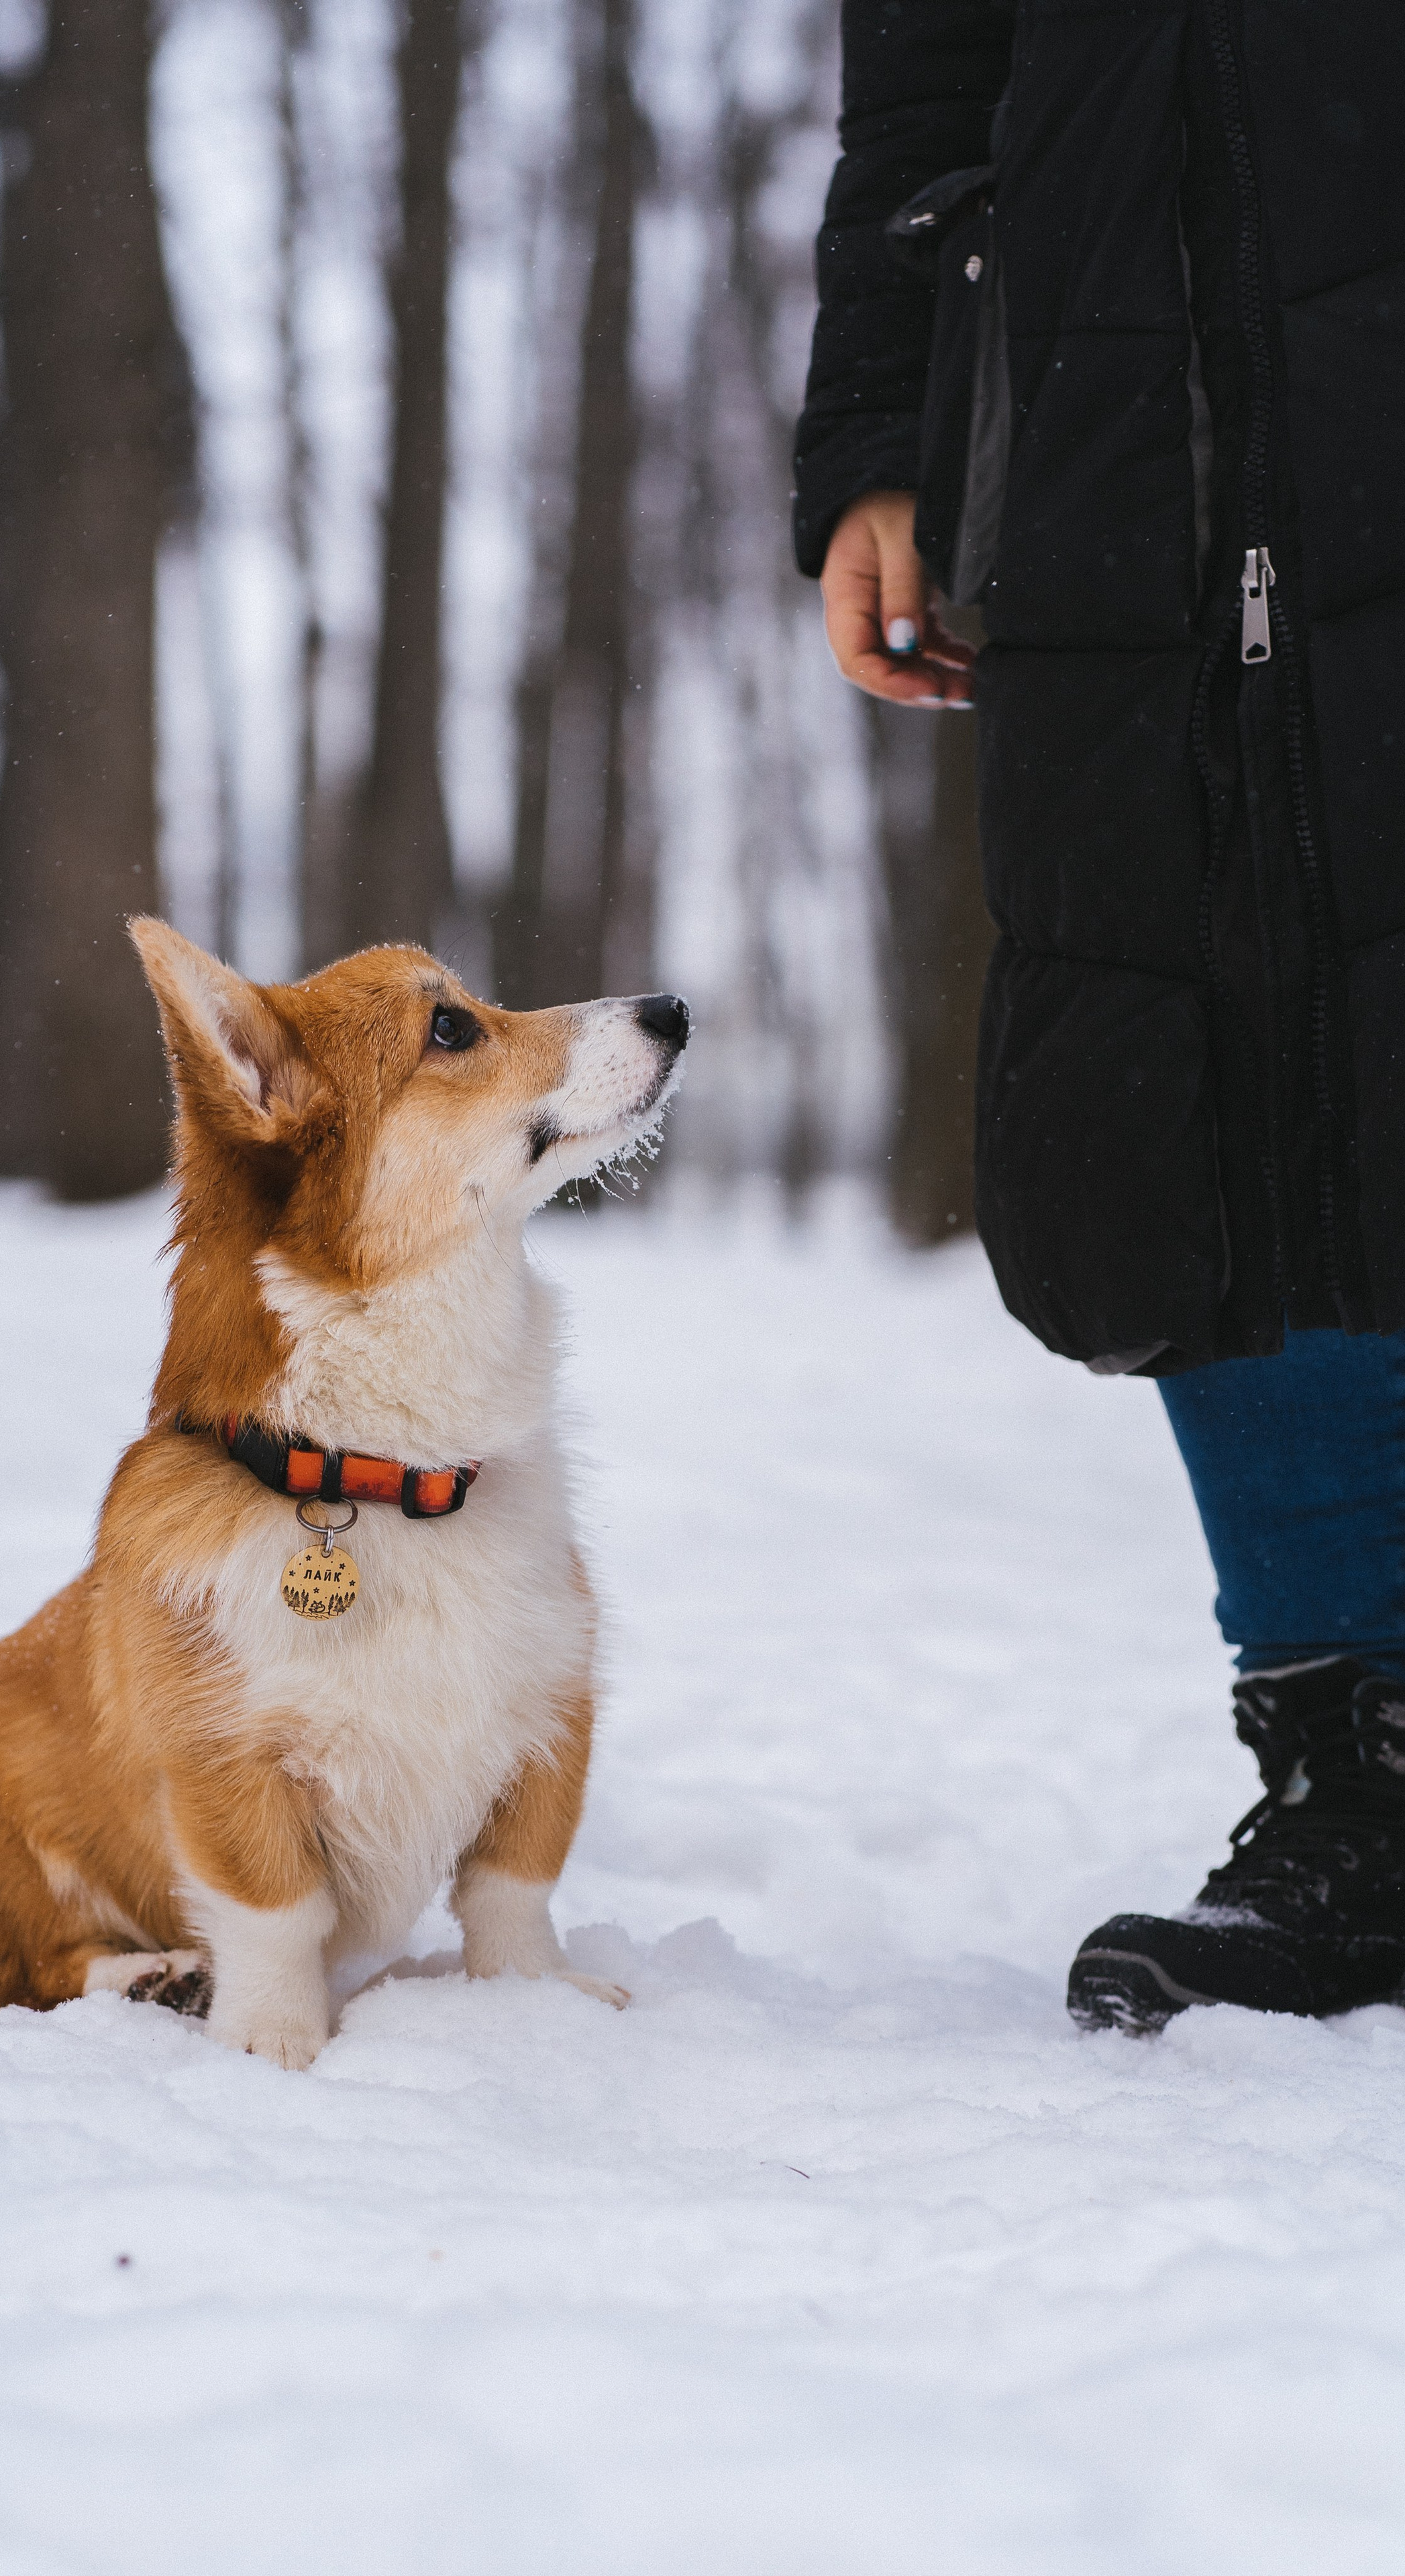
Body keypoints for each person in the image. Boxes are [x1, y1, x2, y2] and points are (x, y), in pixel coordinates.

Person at [794, 1, 1405, 2032]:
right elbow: (921, 84)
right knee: (1185, 1073)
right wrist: (881, 439)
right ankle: (1360, 1779)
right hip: (1107, 424)